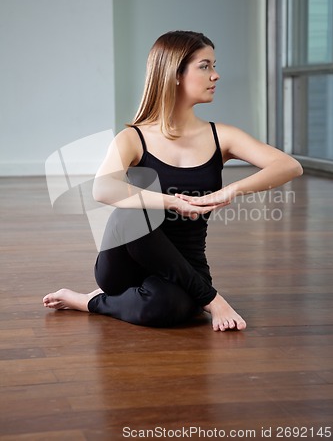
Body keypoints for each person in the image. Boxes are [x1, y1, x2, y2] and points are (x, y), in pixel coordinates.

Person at [43, 30, 303, 331]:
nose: (216, 75)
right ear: (175, 74)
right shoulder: (133, 138)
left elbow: (289, 166)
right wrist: (171, 202)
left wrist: (231, 190)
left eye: (214, 65)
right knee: (134, 207)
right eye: (205, 66)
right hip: (124, 266)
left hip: (186, 264)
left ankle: (89, 302)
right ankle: (212, 300)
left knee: (168, 309)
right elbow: (102, 188)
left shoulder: (222, 136)